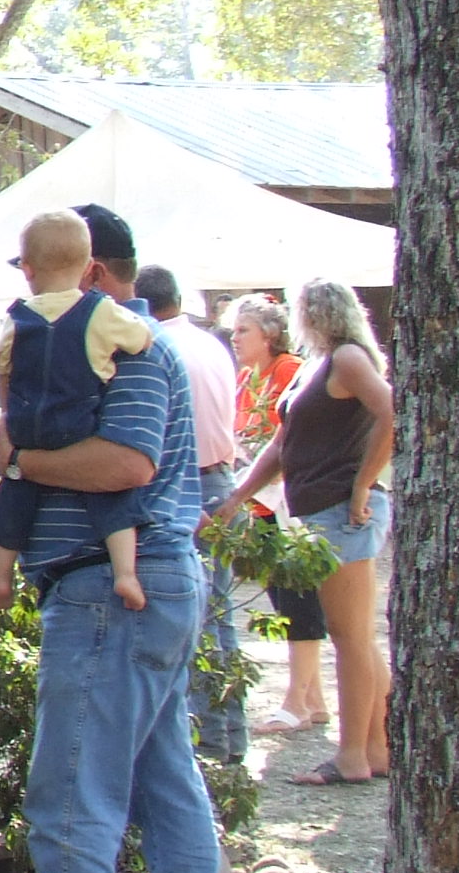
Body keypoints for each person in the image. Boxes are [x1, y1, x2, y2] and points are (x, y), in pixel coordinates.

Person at [0, 200, 224, 873]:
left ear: (97, 276)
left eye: (47, 277)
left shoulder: (128, 350)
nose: (37, 296)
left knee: (72, 789)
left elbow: (127, 463)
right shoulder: (80, 351)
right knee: (165, 785)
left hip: (113, 593)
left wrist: (27, 460)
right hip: (144, 586)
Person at [223, 278, 396, 786]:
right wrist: (237, 494)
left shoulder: (348, 359)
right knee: (356, 637)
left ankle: (351, 756)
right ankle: (376, 747)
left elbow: (392, 411)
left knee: (350, 638)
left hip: (344, 510)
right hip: (319, 513)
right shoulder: (317, 367)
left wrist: (365, 483)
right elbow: (283, 441)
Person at [0, 209, 158, 614]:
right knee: (114, 502)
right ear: (86, 267)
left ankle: (2, 579)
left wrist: (10, 418)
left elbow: (1, 365)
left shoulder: (17, 318)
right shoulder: (100, 312)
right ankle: (126, 574)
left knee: (12, 499)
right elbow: (140, 337)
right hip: (77, 422)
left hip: (28, 425)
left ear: (27, 269)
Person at [134, 264, 251, 763]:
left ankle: (203, 741)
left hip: (185, 480)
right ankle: (227, 738)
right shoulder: (211, 344)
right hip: (218, 475)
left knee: (188, 619)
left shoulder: (157, 350)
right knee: (218, 614)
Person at [225, 296, 330, 732]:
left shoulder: (288, 371)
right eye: (233, 330)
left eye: (243, 330)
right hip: (260, 501)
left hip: (286, 501)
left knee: (297, 599)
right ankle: (315, 698)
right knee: (282, 597)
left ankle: (296, 701)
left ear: (269, 335)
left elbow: (286, 438)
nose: (235, 337)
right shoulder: (247, 378)